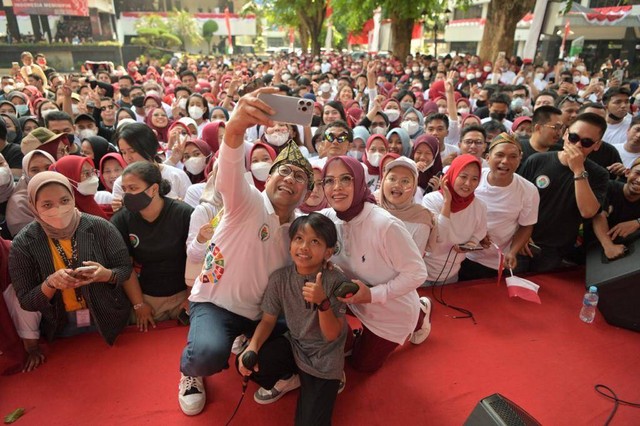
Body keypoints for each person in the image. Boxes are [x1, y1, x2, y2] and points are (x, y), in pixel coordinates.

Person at [178, 88, 313, 417]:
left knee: (305, 338)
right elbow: (231, 166)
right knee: (208, 352)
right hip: (215, 303)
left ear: (306, 192)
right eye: (283, 170)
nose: (289, 178)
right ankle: (190, 372)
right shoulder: (246, 201)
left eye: (299, 176)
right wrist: (236, 127)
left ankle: (257, 353)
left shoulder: (300, 231)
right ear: (267, 177)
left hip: (261, 314)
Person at [320, 155, 430, 373]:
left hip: (389, 311)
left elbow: (417, 274)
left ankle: (419, 315)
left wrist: (372, 295)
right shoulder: (329, 218)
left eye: (345, 179)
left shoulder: (384, 225)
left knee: (362, 366)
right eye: (329, 181)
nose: (337, 187)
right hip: (354, 302)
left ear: (360, 182)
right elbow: (294, 222)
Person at [238, 213, 348, 424]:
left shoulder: (336, 280)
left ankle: (334, 378)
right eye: (299, 239)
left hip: (325, 356)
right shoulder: (280, 278)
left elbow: (332, 334)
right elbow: (268, 320)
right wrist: (252, 347)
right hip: (295, 345)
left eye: (314, 241)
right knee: (247, 364)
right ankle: (292, 377)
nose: (304, 247)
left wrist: (322, 302)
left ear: (328, 252)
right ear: (290, 246)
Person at [8, 172, 132, 356]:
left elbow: (124, 269)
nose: (58, 209)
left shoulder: (100, 227)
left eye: (64, 200)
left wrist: (104, 274)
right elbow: (26, 300)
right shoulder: (24, 243)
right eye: (47, 205)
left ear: (73, 198)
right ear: (33, 206)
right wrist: (50, 284)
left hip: (110, 320)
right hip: (61, 329)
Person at [518, 113, 609, 273]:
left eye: (586, 142)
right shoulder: (537, 160)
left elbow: (588, 211)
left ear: (597, 145)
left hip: (555, 249)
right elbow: (516, 200)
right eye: (574, 137)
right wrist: (519, 235)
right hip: (523, 239)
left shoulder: (599, 174)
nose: (578, 145)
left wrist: (579, 169)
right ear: (565, 134)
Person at [111, 161, 194, 326]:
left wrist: (191, 298)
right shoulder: (122, 220)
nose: (127, 195)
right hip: (146, 298)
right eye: (124, 189)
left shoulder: (183, 213)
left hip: (183, 296)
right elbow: (124, 266)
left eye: (133, 188)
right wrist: (139, 304)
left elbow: (196, 258)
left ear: (154, 189)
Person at [459, 134, 539, 280]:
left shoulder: (529, 190)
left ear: (520, 159)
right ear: (488, 157)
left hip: (499, 261)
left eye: (513, 156)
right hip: (463, 255)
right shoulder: (473, 180)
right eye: (500, 155)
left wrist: (513, 252)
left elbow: (526, 225)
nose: (505, 161)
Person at [422, 154, 487, 284]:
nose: (468, 183)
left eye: (474, 179)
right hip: (424, 273)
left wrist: (471, 244)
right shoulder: (432, 200)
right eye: (463, 176)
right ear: (451, 175)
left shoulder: (479, 206)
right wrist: (447, 202)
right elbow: (439, 236)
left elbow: (480, 231)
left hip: (451, 274)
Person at [111, 123, 191, 208]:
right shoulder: (121, 183)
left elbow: (192, 211)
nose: (128, 157)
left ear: (148, 147)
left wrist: (181, 208)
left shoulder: (176, 175)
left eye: (132, 151)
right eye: (123, 152)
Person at [376, 157, 436, 258]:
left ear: (414, 187)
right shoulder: (371, 207)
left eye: (405, 181)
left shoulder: (421, 218)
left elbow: (414, 262)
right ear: (383, 181)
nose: (397, 184)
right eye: (392, 179)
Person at [592, 158, 640, 260]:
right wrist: (609, 246)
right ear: (627, 172)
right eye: (637, 173)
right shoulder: (607, 186)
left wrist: (637, 222)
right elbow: (599, 215)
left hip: (628, 253)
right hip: (591, 248)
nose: (639, 180)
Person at [5, 150, 55, 237]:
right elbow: (28, 239)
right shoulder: (20, 203)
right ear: (26, 173)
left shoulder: (62, 190)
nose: (43, 173)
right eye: (35, 170)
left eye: (48, 167)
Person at [412, 135, 443, 201]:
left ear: (435, 155)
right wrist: (413, 171)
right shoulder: (405, 169)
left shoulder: (441, 178)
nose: (422, 157)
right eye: (418, 152)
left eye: (428, 153)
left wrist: (436, 191)